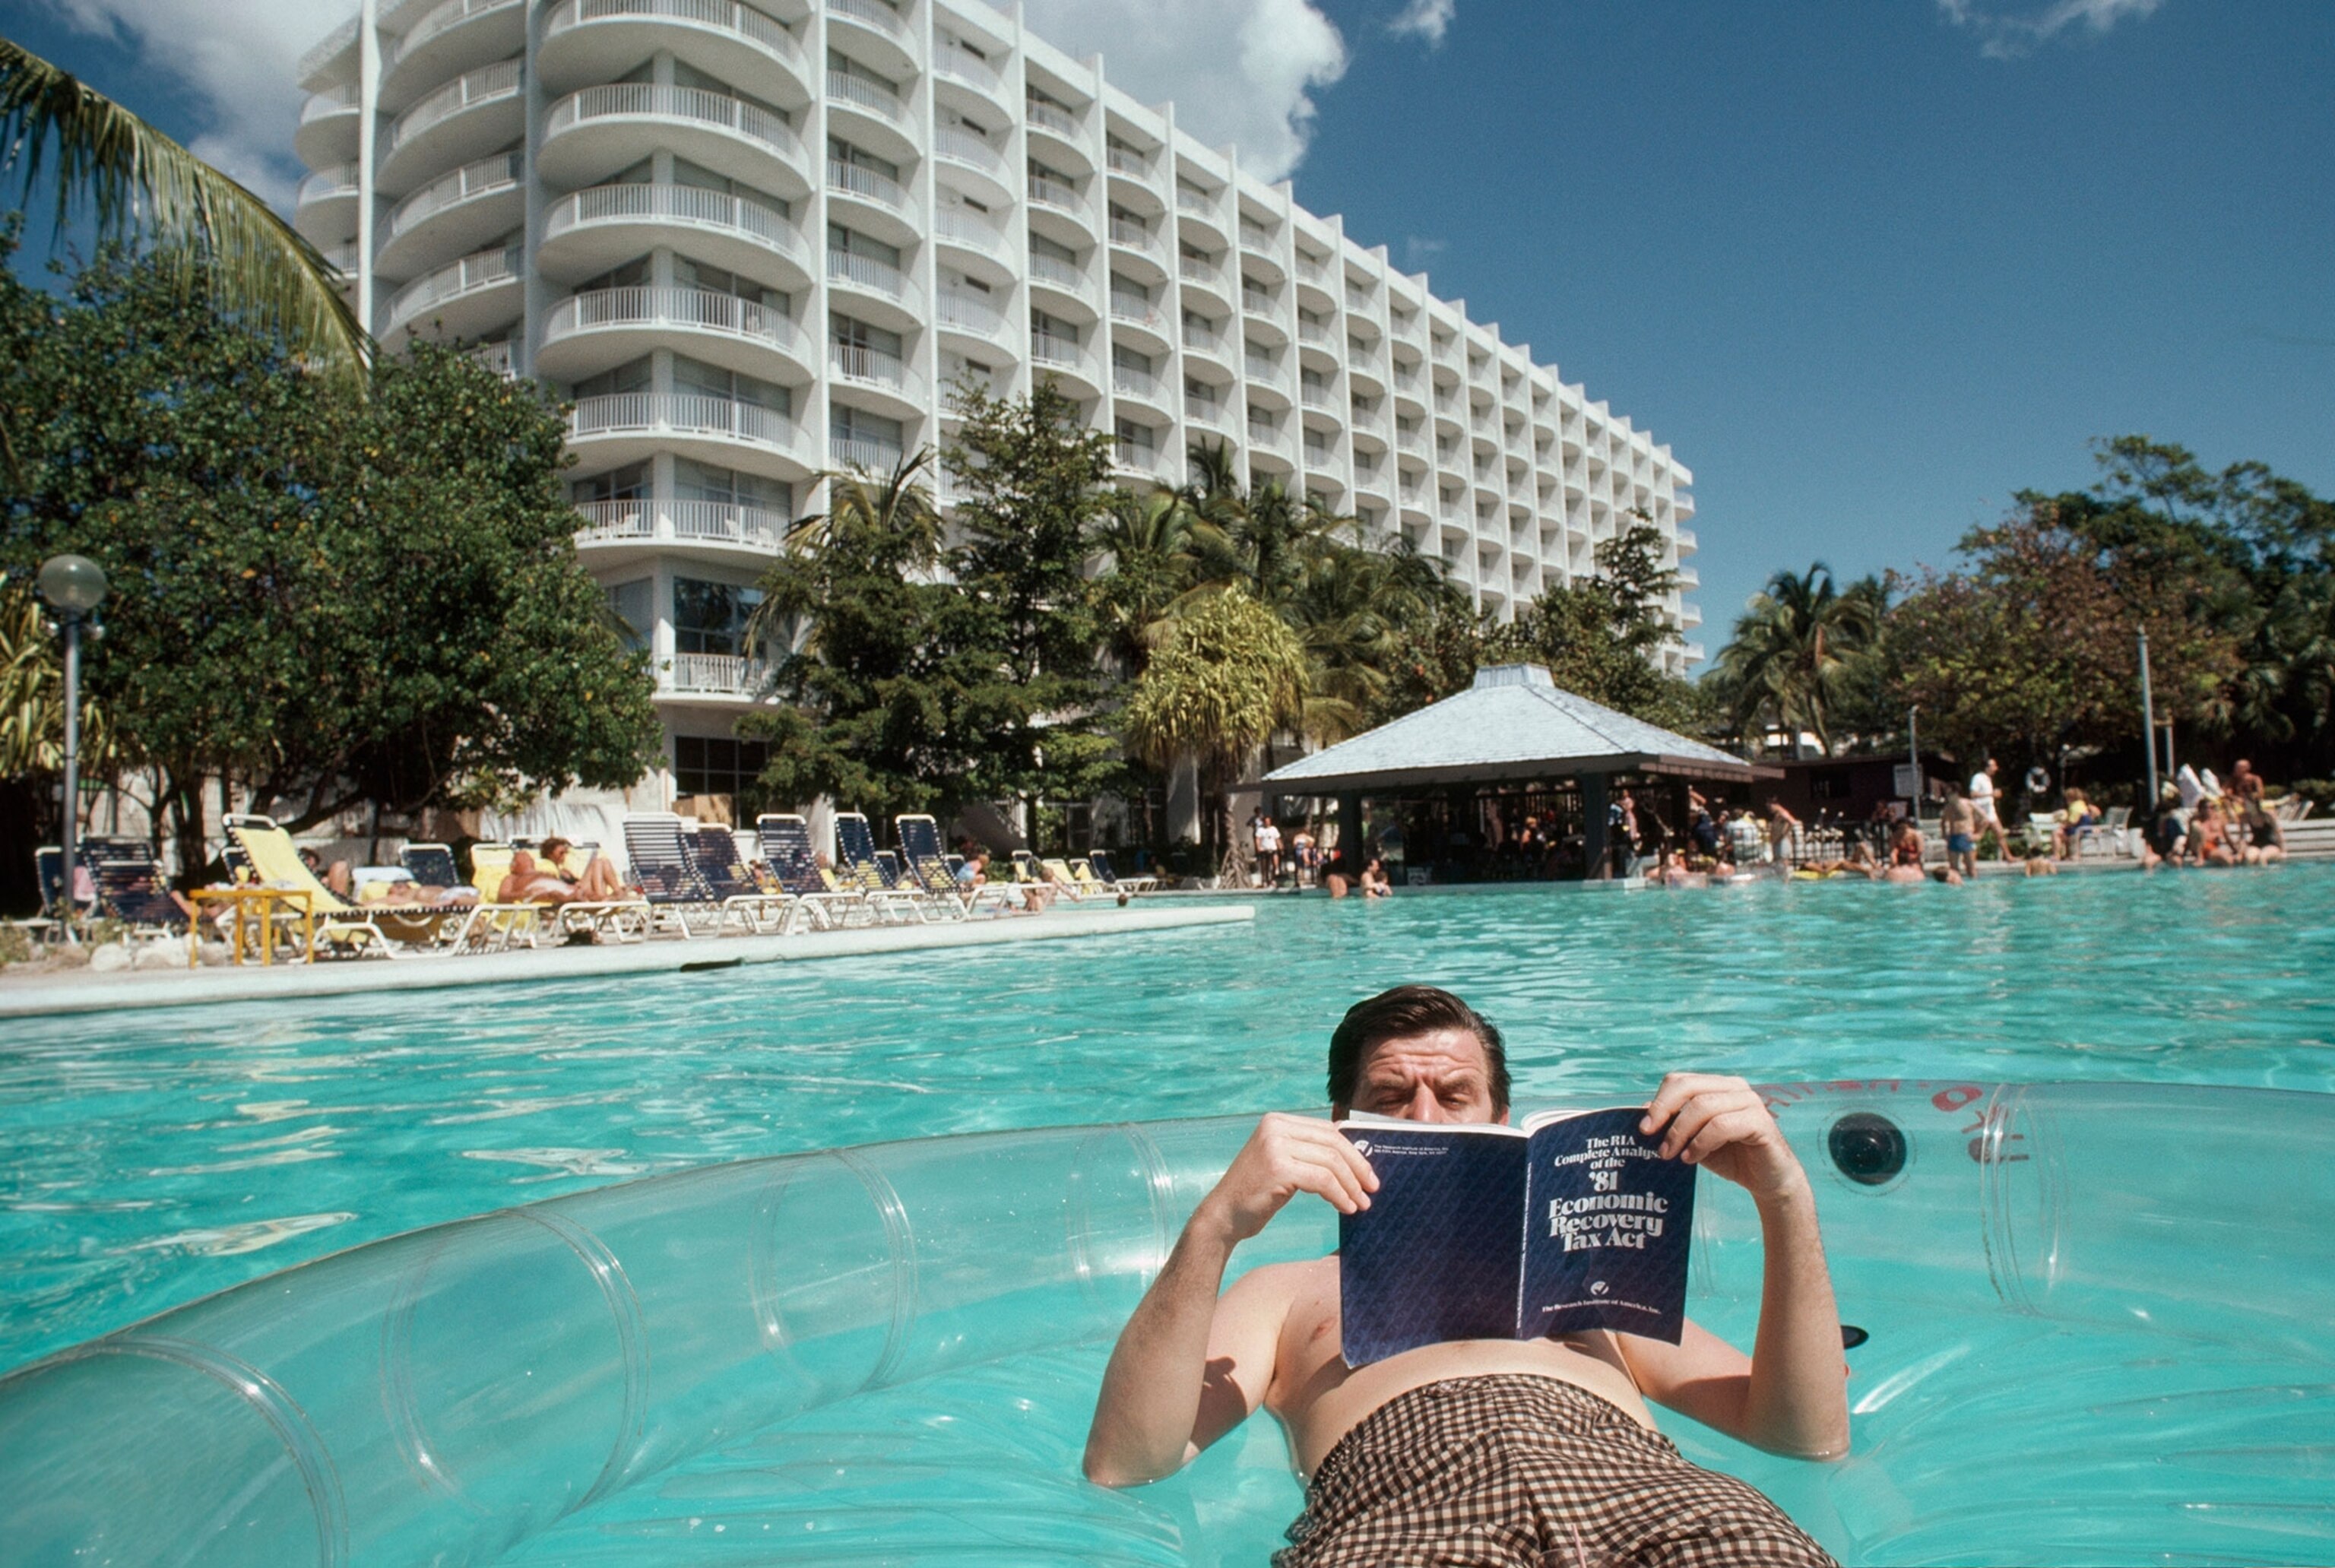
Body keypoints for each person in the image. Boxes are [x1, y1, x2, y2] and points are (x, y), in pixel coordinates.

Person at [1082, 987, 1846, 1566]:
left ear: (1502, 1116)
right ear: (1339, 1121)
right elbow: (1129, 1462)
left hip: (1649, 1491)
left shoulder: (1582, 1269)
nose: (1423, 1119)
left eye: (1454, 1096)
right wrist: (1215, 1226)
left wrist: (1784, 1197)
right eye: (1389, 1097)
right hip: (1407, 1509)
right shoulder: (1287, 1290)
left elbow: (1801, 1435)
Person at [1967, 759, 2009, 862]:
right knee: (1977, 836)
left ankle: (2008, 856)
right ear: (1987, 767)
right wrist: (1990, 794)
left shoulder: (1989, 779)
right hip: (1981, 812)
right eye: (1993, 766)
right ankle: (1970, 858)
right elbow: (1973, 794)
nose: (1996, 768)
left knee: (2000, 833)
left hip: (1990, 811)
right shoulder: (1978, 778)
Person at [1938, 789, 1979, 880]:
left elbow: (1985, 818)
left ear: (1956, 794)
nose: (1948, 797)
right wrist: (1944, 834)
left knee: (1971, 869)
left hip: (1966, 837)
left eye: (1950, 794)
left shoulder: (1968, 804)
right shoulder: (1948, 807)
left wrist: (1978, 834)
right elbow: (1943, 822)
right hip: (1953, 837)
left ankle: (1974, 890)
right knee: (1953, 870)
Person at [1885, 818, 1928, 885]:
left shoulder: (1916, 835)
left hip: (1914, 858)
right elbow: (1893, 851)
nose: (1901, 830)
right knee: (1893, 869)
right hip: (1900, 859)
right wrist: (1894, 860)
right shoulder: (1895, 836)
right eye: (1900, 828)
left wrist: (1912, 858)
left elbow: (1920, 851)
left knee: (1915, 868)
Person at [1257, 816, 1284, 885]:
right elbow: (1258, 839)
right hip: (1264, 849)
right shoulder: (1260, 830)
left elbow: (1277, 838)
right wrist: (1258, 847)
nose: (1267, 823)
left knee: (1275, 864)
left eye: (1268, 821)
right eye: (1266, 821)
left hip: (1273, 848)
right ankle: (1264, 880)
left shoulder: (1274, 829)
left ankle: (1273, 879)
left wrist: (1280, 846)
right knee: (1265, 866)